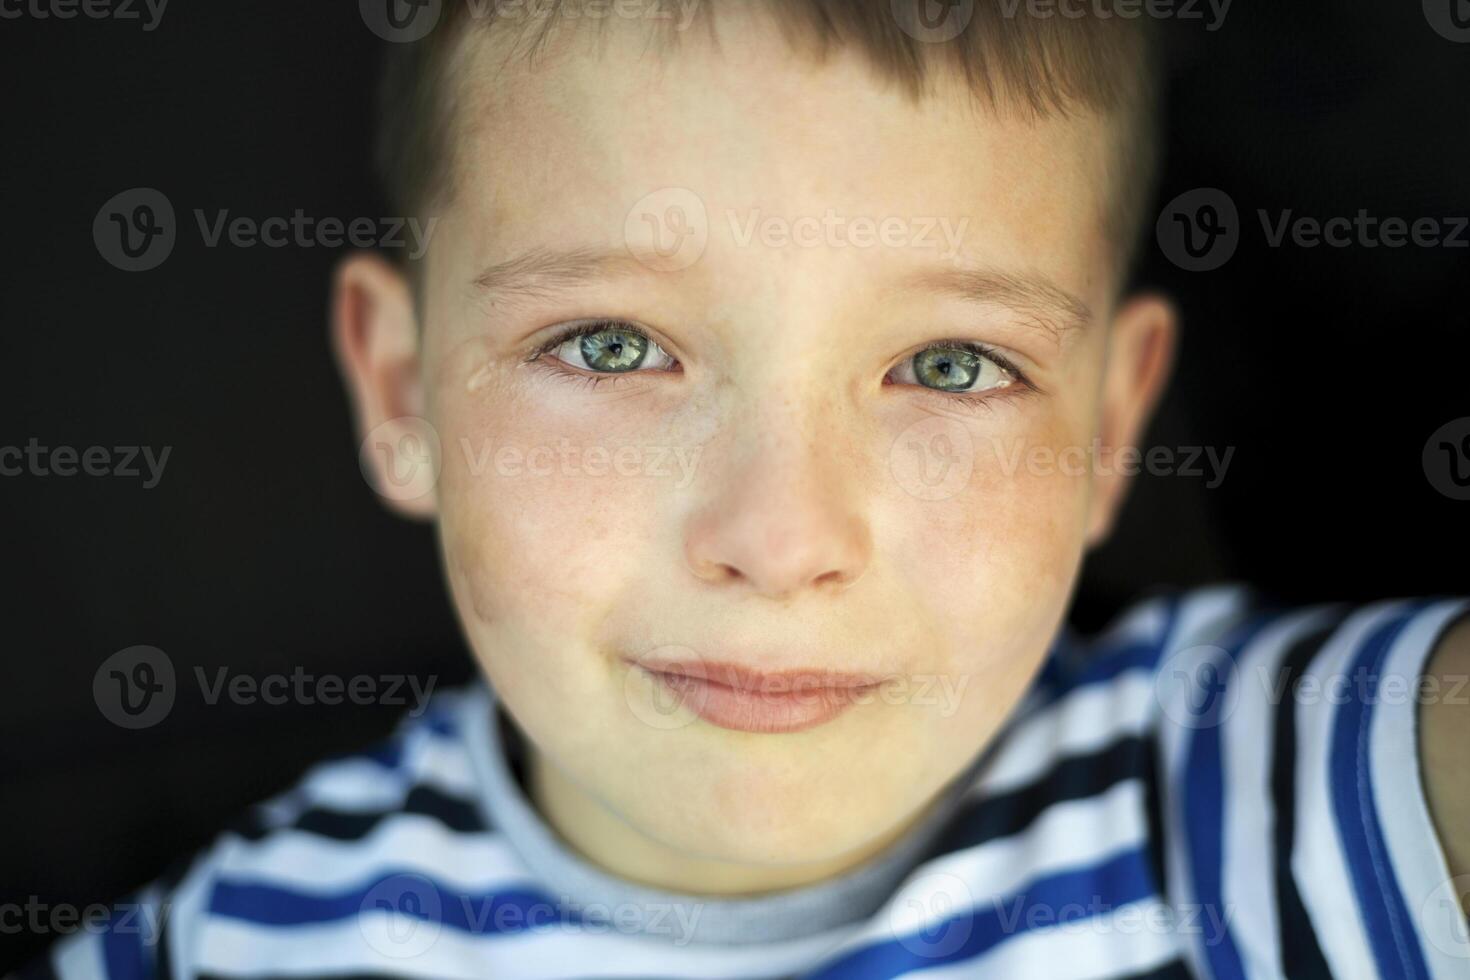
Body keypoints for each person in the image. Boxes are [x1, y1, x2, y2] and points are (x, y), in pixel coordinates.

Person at [22, 2, 1469, 977]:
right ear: (404, 395)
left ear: (1109, 427)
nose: (778, 542)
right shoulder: (244, 946)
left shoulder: (1264, 793)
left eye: (953, 365)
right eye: (609, 344)